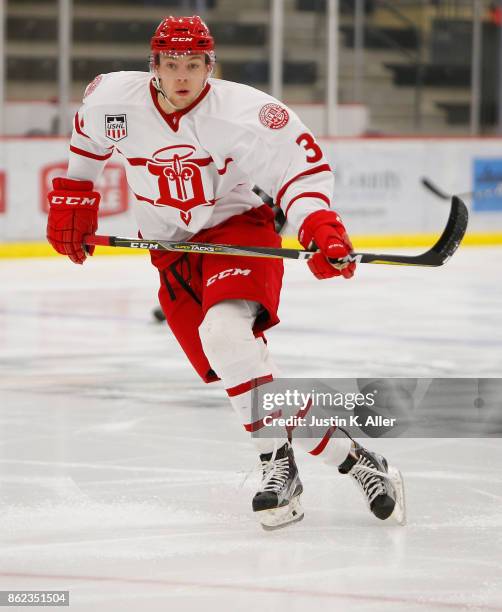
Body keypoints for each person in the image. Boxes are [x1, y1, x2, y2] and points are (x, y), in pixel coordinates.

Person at [46, 15, 405, 530]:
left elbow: (299, 174)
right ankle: (354, 459)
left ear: (209, 65)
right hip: (170, 249)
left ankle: (276, 468)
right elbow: (87, 145)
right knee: (237, 362)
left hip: (237, 230)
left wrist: (320, 226)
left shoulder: (245, 112)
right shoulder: (111, 101)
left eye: (194, 64)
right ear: (155, 66)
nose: (182, 76)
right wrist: (75, 198)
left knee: (225, 334)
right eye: (172, 65)